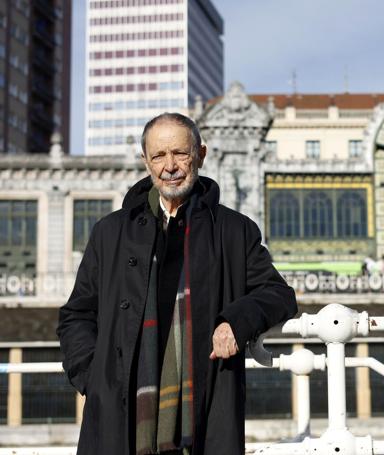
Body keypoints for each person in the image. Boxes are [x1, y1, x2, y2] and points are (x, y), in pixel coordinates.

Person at [57, 113, 297, 455]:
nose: (170, 166)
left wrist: (235, 321)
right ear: (146, 161)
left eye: (180, 154)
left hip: (202, 405)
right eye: (158, 156)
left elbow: (278, 294)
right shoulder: (110, 232)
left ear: (200, 154)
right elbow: (76, 315)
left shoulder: (233, 230)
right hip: (119, 409)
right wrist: (94, 378)